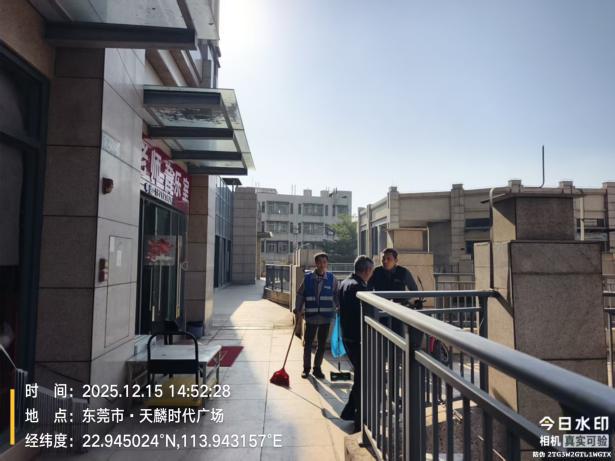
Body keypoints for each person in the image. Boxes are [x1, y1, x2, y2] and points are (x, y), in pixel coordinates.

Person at [338, 255, 374, 431]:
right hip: (358, 338)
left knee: (361, 375)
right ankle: (358, 416)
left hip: (348, 336)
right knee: (363, 377)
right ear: (367, 270)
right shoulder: (359, 287)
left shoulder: (345, 282)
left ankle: (350, 411)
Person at [294, 252, 339, 379]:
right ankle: (306, 369)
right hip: (311, 316)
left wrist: (339, 306)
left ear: (327, 263)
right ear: (316, 263)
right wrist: (298, 309)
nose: (322, 265)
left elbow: (336, 294)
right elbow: (300, 294)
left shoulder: (332, 278)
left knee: (322, 345)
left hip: (325, 317)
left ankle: (317, 368)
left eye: (324, 262)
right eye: (319, 262)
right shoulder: (308, 278)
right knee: (308, 344)